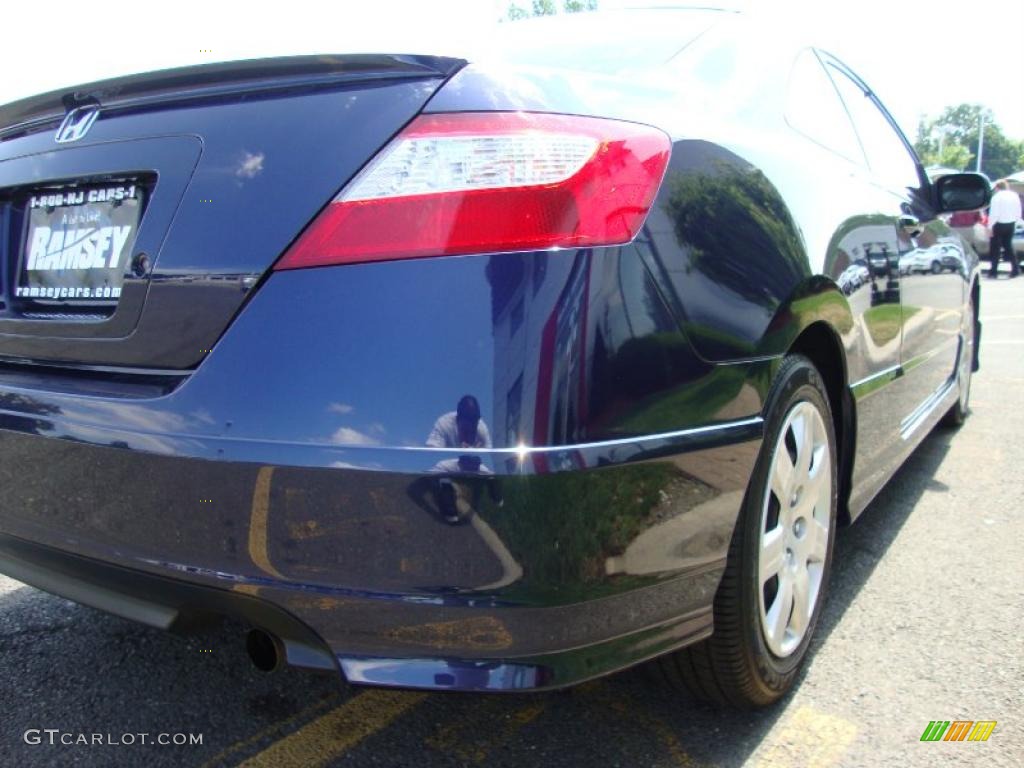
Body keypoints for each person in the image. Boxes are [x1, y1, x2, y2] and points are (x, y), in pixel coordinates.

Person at [987, 179, 1022, 278]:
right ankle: (1015, 269)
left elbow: (994, 214)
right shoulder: (1014, 195)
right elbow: (1018, 209)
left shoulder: (996, 197)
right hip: (1010, 223)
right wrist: (1017, 221)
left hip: (998, 224)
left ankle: (993, 271)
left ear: (997, 187)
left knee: (995, 248)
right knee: (1008, 246)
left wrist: (990, 227)